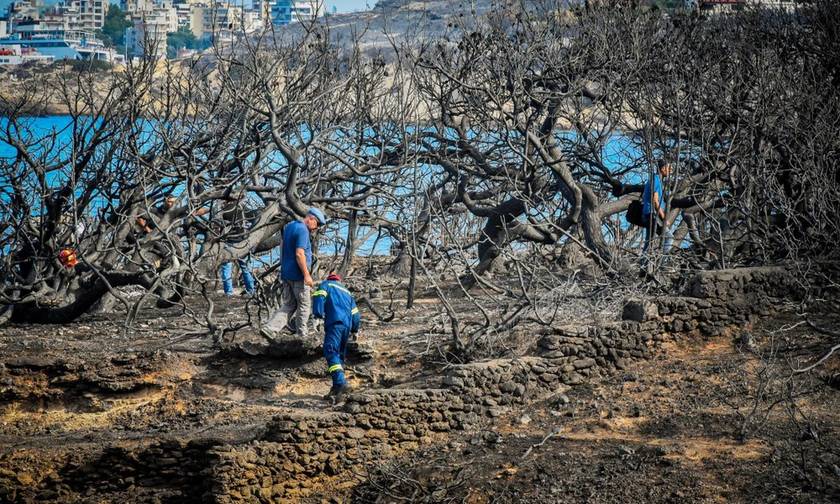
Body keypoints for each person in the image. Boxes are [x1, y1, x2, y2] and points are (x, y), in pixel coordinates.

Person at [260, 208, 327, 340]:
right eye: (317, 224)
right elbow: (299, 254)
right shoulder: (303, 230)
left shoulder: (290, 226)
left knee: (289, 304)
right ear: (311, 218)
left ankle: (271, 328)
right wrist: (307, 275)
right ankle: (302, 334)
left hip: (286, 273)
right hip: (298, 276)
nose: (316, 228)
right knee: (304, 305)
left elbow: (283, 247)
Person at [311, 272, 361, 397]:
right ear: (339, 280)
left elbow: (319, 297)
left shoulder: (326, 285)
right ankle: (337, 389)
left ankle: (341, 382)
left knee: (331, 350)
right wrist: (355, 330)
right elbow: (355, 314)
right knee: (339, 356)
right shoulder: (348, 293)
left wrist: (317, 316)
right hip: (346, 327)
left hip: (334, 323)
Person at [218, 199, 256, 296]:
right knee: (245, 267)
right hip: (242, 242)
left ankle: (228, 292)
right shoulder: (241, 207)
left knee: (226, 268)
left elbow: (219, 225)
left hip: (229, 242)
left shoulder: (224, 210)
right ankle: (251, 290)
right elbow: (253, 216)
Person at [641, 159, 673, 257]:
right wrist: (664, 218)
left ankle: (643, 265)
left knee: (649, 242)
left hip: (648, 214)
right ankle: (663, 265)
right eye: (668, 168)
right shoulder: (655, 180)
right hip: (652, 214)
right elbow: (655, 200)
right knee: (669, 237)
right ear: (663, 169)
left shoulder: (656, 180)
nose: (670, 171)